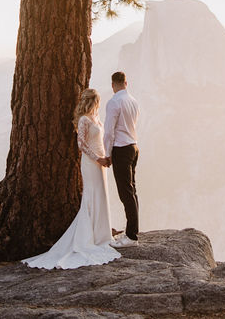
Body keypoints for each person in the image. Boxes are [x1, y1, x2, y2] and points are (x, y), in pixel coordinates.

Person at [23, 88, 120, 269]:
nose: (98, 104)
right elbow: (81, 144)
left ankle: (102, 235)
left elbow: (102, 140)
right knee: (91, 195)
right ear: (92, 102)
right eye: (96, 101)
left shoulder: (96, 119)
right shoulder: (84, 120)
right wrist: (98, 158)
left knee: (101, 195)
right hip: (91, 163)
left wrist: (106, 157)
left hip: (101, 162)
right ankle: (87, 237)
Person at [103, 70, 141, 246]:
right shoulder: (133, 101)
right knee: (132, 191)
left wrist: (107, 154)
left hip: (121, 149)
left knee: (125, 193)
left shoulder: (114, 102)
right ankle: (132, 231)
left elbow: (109, 132)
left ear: (113, 85)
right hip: (134, 147)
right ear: (126, 83)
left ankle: (131, 236)